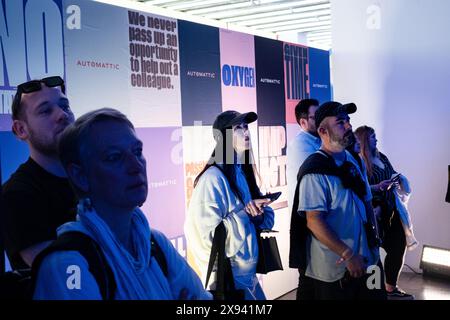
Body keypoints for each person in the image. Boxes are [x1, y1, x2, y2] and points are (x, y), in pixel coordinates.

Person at [33, 108, 211, 300]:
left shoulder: (156, 244)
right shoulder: (66, 265)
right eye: (114, 157)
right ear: (80, 175)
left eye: (137, 151)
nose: (136, 166)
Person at [295, 101, 386, 300]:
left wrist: (374, 240)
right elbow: (314, 220)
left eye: (348, 121)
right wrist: (347, 254)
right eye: (340, 123)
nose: (348, 127)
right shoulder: (315, 170)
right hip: (336, 269)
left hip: (367, 258)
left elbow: (366, 201)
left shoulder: (354, 160)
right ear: (322, 131)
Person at [185, 110, 275, 300]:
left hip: (248, 277)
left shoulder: (241, 172)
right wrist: (245, 215)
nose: (246, 132)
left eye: (246, 127)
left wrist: (259, 215)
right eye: (238, 128)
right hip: (228, 280)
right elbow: (203, 238)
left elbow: (263, 220)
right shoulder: (212, 179)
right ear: (223, 136)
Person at [1, 76, 77, 270]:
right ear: (20, 130)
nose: (62, 115)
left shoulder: (91, 177)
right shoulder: (17, 195)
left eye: (65, 106)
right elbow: (65, 278)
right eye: (45, 111)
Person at [355, 125, 417, 299]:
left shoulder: (382, 156)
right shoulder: (360, 161)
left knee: (398, 247)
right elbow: (360, 188)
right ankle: (372, 291)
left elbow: (391, 172)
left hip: (391, 210)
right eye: (373, 137)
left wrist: (398, 178)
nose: (376, 140)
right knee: (373, 254)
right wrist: (378, 187)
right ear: (365, 140)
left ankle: (391, 288)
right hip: (375, 213)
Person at [286, 98, 320, 300]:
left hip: (315, 217)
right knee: (307, 277)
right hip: (305, 220)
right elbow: (320, 172)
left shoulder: (317, 141)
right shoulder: (300, 145)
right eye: (315, 117)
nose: (321, 120)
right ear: (303, 122)